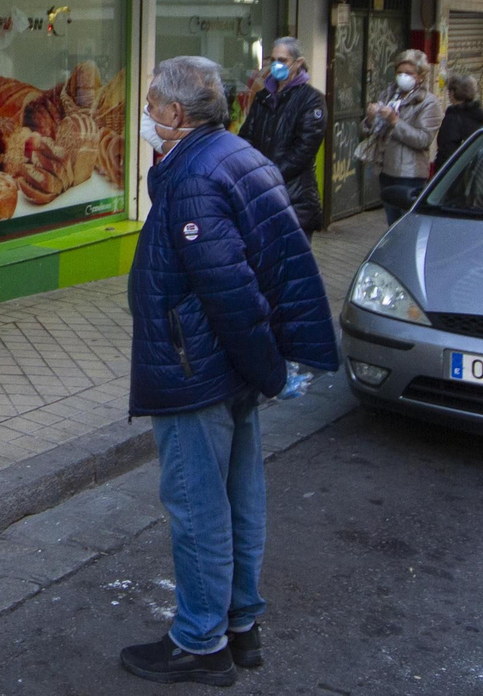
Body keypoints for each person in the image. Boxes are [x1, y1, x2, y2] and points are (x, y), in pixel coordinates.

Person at [121, 56, 338, 687]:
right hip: (233, 366)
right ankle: (240, 624)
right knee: (241, 498)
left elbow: (231, 290)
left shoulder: (193, 176)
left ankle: (200, 642)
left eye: (152, 105)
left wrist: (268, 370)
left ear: (175, 115)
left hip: (199, 371)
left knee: (199, 510)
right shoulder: (236, 155)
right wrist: (267, 367)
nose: (146, 114)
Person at [237, 37, 326, 236]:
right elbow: (246, 137)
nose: (276, 65)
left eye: (283, 60)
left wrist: (269, 175)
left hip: (294, 197)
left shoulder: (311, 100)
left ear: (298, 63)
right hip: (260, 195)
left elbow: (303, 150)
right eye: (273, 59)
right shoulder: (263, 97)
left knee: (294, 262)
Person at [362, 49, 442, 224]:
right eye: (399, 72)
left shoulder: (429, 102)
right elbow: (370, 131)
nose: (403, 77)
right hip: (386, 169)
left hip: (409, 175)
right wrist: (370, 119)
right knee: (392, 222)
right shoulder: (389, 94)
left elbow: (422, 139)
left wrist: (394, 121)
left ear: (420, 76)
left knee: (406, 223)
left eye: (409, 73)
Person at [434, 74, 483, 173]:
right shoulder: (479, 115)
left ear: (453, 93)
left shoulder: (453, 118)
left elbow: (446, 150)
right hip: (475, 171)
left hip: (454, 173)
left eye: (449, 91)